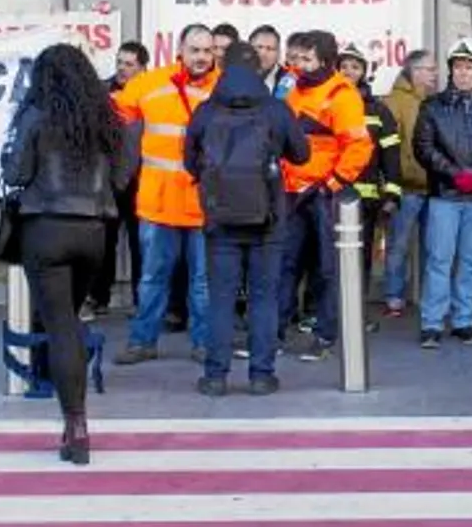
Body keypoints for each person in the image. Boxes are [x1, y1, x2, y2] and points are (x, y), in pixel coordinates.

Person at [1, 43, 134, 465]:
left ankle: (75, 424)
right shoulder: (107, 120)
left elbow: (16, 174)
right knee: (70, 323)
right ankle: (74, 418)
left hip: (45, 230)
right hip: (93, 231)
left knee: (60, 326)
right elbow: (122, 177)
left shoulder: (36, 118)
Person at [186, 41, 310, 398]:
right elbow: (301, 155)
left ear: (223, 69)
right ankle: (261, 375)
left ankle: (215, 377)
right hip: (268, 219)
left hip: (220, 219)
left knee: (221, 298)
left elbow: (189, 160)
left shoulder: (207, 111)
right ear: (258, 69)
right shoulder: (276, 109)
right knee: (264, 297)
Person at [111, 25, 218, 366]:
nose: (201, 57)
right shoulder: (149, 83)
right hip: (159, 204)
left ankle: (204, 343)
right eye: (195, 50)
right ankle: (143, 342)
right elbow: (114, 113)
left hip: (204, 205)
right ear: (180, 49)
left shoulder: (224, 87)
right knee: (153, 279)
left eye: (207, 51)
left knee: (203, 284)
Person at [277, 30, 373, 365]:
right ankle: (274, 333)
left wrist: (331, 183)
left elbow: (359, 146)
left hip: (323, 195)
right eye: (295, 57)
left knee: (328, 269)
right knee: (284, 265)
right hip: (291, 192)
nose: (297, 64)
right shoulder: (289, 87)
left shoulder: (341, 95)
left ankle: (325, 336)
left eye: (305, 58)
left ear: (324, 60)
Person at [414, 39, 472, 347]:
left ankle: (464, 320)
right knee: (439, 260)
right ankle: (432, 323)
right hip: (446, 194)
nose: (463, 73)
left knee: (470, 262)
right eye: (458, 67)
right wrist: (454, 174)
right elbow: (423, 147)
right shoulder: (433, 106)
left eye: (469, 67)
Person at [88, 40, 149, 320]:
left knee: (141, 245)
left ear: (142, 68)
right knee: (104, 241)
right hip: (109, 178)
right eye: (119, 63)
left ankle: (141, 301)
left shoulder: (151, 94)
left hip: (142, 179)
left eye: (129, 64)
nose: (122, 69)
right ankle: (99, 297)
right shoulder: (101, 92)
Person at [339, 43, 403, 291]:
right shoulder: (327, 104)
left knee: (360, 259)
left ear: (364, 72)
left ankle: (358, 317)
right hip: (329, 197)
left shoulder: (378, 110)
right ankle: (327, 318)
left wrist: (392, 194)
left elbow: (391, 155)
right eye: (343, 66)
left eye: (355, 67)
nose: (348, 71)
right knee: (326, 263)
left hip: (365, 201)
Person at [382, 49, 438, 317]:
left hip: (434, 186)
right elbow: (391, 148)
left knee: (433, 246)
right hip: (407, 186)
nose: (434, 74)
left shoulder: (435, 101)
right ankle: (394, 295)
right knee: (398, 245)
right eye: (429, 69)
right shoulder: (395, 101)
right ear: (414, 72)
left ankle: (428, 296)